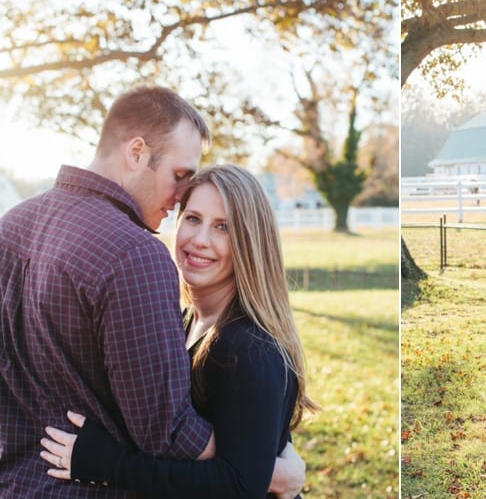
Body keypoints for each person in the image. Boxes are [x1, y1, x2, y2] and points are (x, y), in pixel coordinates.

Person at [0, 86, 303, 497]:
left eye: (223, 226)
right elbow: (168, 432)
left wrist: (248, 466)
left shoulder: (11, 226)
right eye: (180, 177)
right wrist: (266, 470)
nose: (179, 196)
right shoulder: (134, 254)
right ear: (137, 152)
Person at [40, 164, 319, 498]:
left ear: (250, 243)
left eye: (223, 227)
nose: (200, 240)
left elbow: (241, 485)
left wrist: (110, 464)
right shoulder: (184, 322)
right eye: (193, 218)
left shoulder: (246, 347)